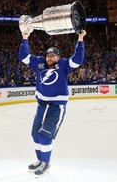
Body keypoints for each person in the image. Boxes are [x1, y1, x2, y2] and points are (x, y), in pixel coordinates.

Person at [19, 30, 86, 177]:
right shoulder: (39, 62)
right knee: (35, 135)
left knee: (45, 136)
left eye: (52, 56)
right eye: (48, 55)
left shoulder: (63, 65)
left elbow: (78, 59)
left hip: (57, 106)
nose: (49, 58)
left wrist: (80, 39)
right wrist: (25, 37)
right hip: (42, 104)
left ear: (58, 57)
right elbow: (23, 56)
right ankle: (40, 160)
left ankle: (46, 164)